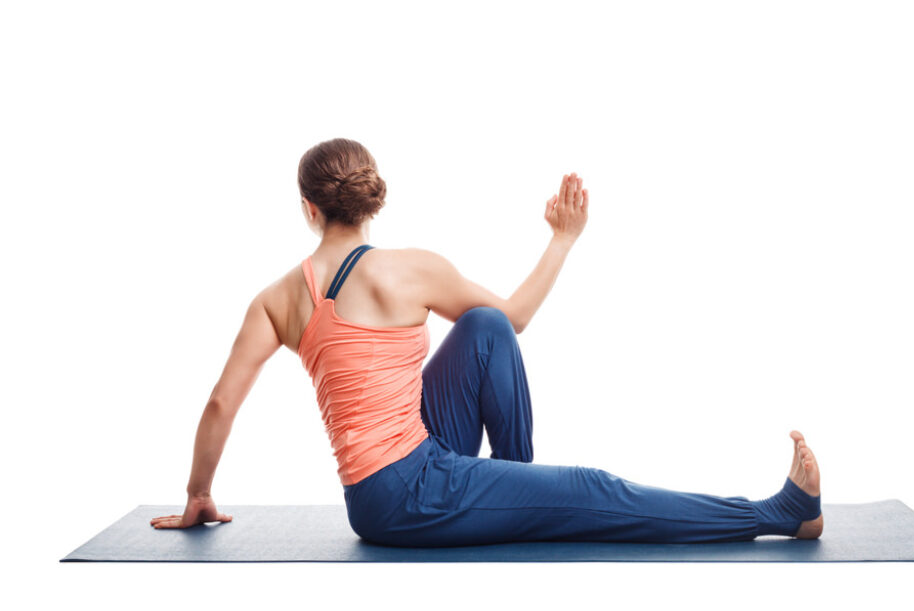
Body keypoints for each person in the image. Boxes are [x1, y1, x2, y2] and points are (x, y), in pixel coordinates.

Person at [150, 137, 824, 546]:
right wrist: (561, 241)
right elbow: (521, 312)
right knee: (597, 488)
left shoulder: (276, 299)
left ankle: (518, 486)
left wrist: (198, 492)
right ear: (370, 200)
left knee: (482, 327)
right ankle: (780, 513)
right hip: (406, 497)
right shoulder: (413, 267)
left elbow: (219, 404)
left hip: (388, 482)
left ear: (309, 208)